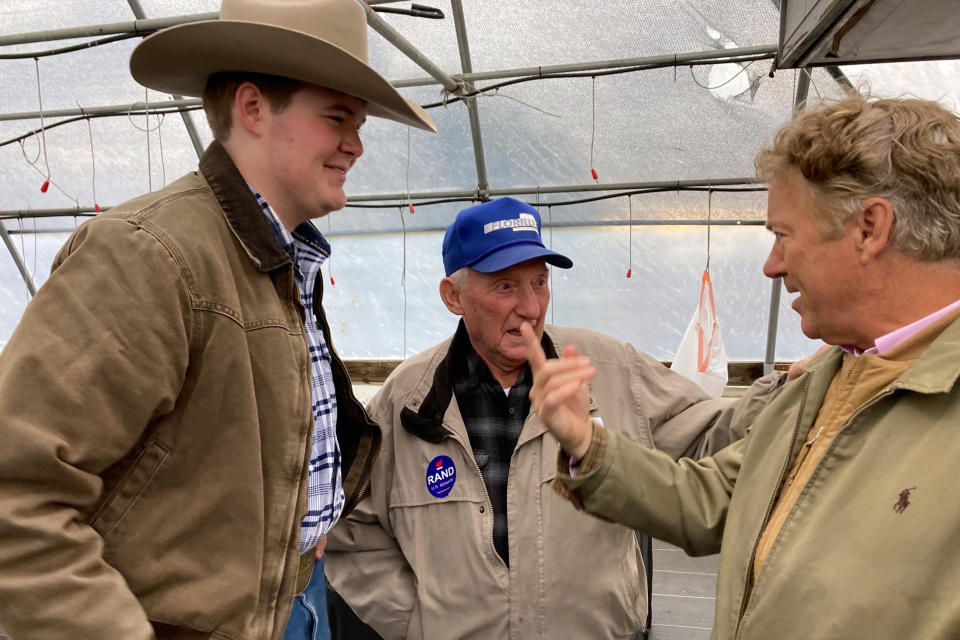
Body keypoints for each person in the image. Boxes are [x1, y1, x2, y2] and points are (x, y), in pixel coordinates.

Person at [0, 0, 435, 638]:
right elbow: (16, 494)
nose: (356, 145)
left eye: (360, 123)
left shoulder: (275, 256)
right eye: (337, 117)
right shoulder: (150, 255)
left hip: (293, 601)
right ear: (253, 109)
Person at [523, 93, 960, 640]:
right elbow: (707, 499)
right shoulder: (827, 379)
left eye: (782, 235)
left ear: (870, 228)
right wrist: (588, 444)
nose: (771, 266)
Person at [324, 197, 782, 639]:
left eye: (539, 282)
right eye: (505, 285)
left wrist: (787, 393)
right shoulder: (406, 402)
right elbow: (353, 529)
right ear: (453, 296)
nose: (531, 306)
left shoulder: (608, 370)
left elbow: (711, 435)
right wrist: (416, 622)